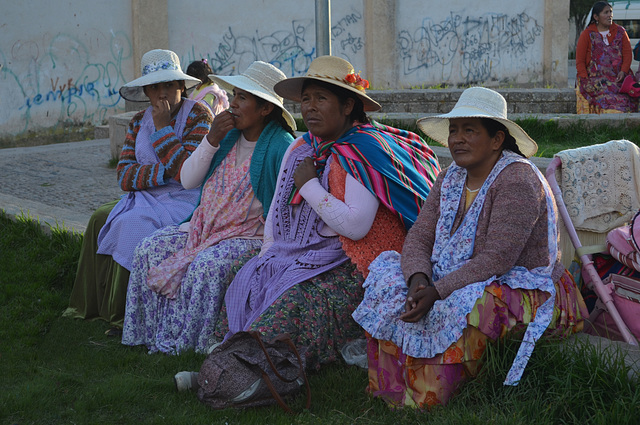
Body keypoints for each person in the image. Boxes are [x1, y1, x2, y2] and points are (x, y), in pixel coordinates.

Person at [352, 87, 589, 409]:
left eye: (469, 130)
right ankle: (391, 389)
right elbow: (420, 236)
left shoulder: (517, 180)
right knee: (387, 279)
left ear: (496, 140)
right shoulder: (450, 177)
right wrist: (418, 280)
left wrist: (438, 290)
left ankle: (427, 397)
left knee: (467, 301)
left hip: (526, 286)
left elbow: (498, 258)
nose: (457, 139)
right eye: (453, 130)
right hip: (463, 273)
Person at [203, 55, 441, 374]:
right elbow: (276, 212)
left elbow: (356, 226)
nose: (310, 107)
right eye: (305, 99)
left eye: (321, 98)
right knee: (251, 275)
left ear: (347, 106)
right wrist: (269, 256)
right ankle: (232, 356)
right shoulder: (305, 146)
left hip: (360, 263)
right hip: (312, 252)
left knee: (295, 296)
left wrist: (310, 186)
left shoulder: (362, 150)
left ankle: (254, 364)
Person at [121, 61, 296, 354]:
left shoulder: (281, 146)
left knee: (207, 266)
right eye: (235, 95)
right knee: (148, 248)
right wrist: (211, 140)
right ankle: (146, 334)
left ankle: (188, 344)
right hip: (205, 228)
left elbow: (282, 213)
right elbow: (189, 180)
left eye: (242, 97)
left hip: (248, 236)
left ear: (265, 108)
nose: (233, 104)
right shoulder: (226, 136)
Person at [63, 49, 212, 332]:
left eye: (169, 84)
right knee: (98, 218)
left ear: (182, 85)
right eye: (155, 87)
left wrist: (163, 130)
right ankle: (90, 305)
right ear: (146, 91)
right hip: (146, 195)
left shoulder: (199, 116)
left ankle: (124, 315)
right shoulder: (137, 121)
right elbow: (125, 175)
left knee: (133, 223)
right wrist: (163, 172)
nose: (162, 93)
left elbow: (189, 174)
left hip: (187, 199)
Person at [576, 1, 637, 113]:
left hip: (619, 79)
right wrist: (585, 80)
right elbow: (580, 61)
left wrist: (623, 71)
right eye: (606, 12)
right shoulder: (587, 34)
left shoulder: (621, 32)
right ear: (596, 17)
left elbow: (627, 55)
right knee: (606, 100)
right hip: (595, 81)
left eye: (611, 12)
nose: (610, 15)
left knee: (627, 99)